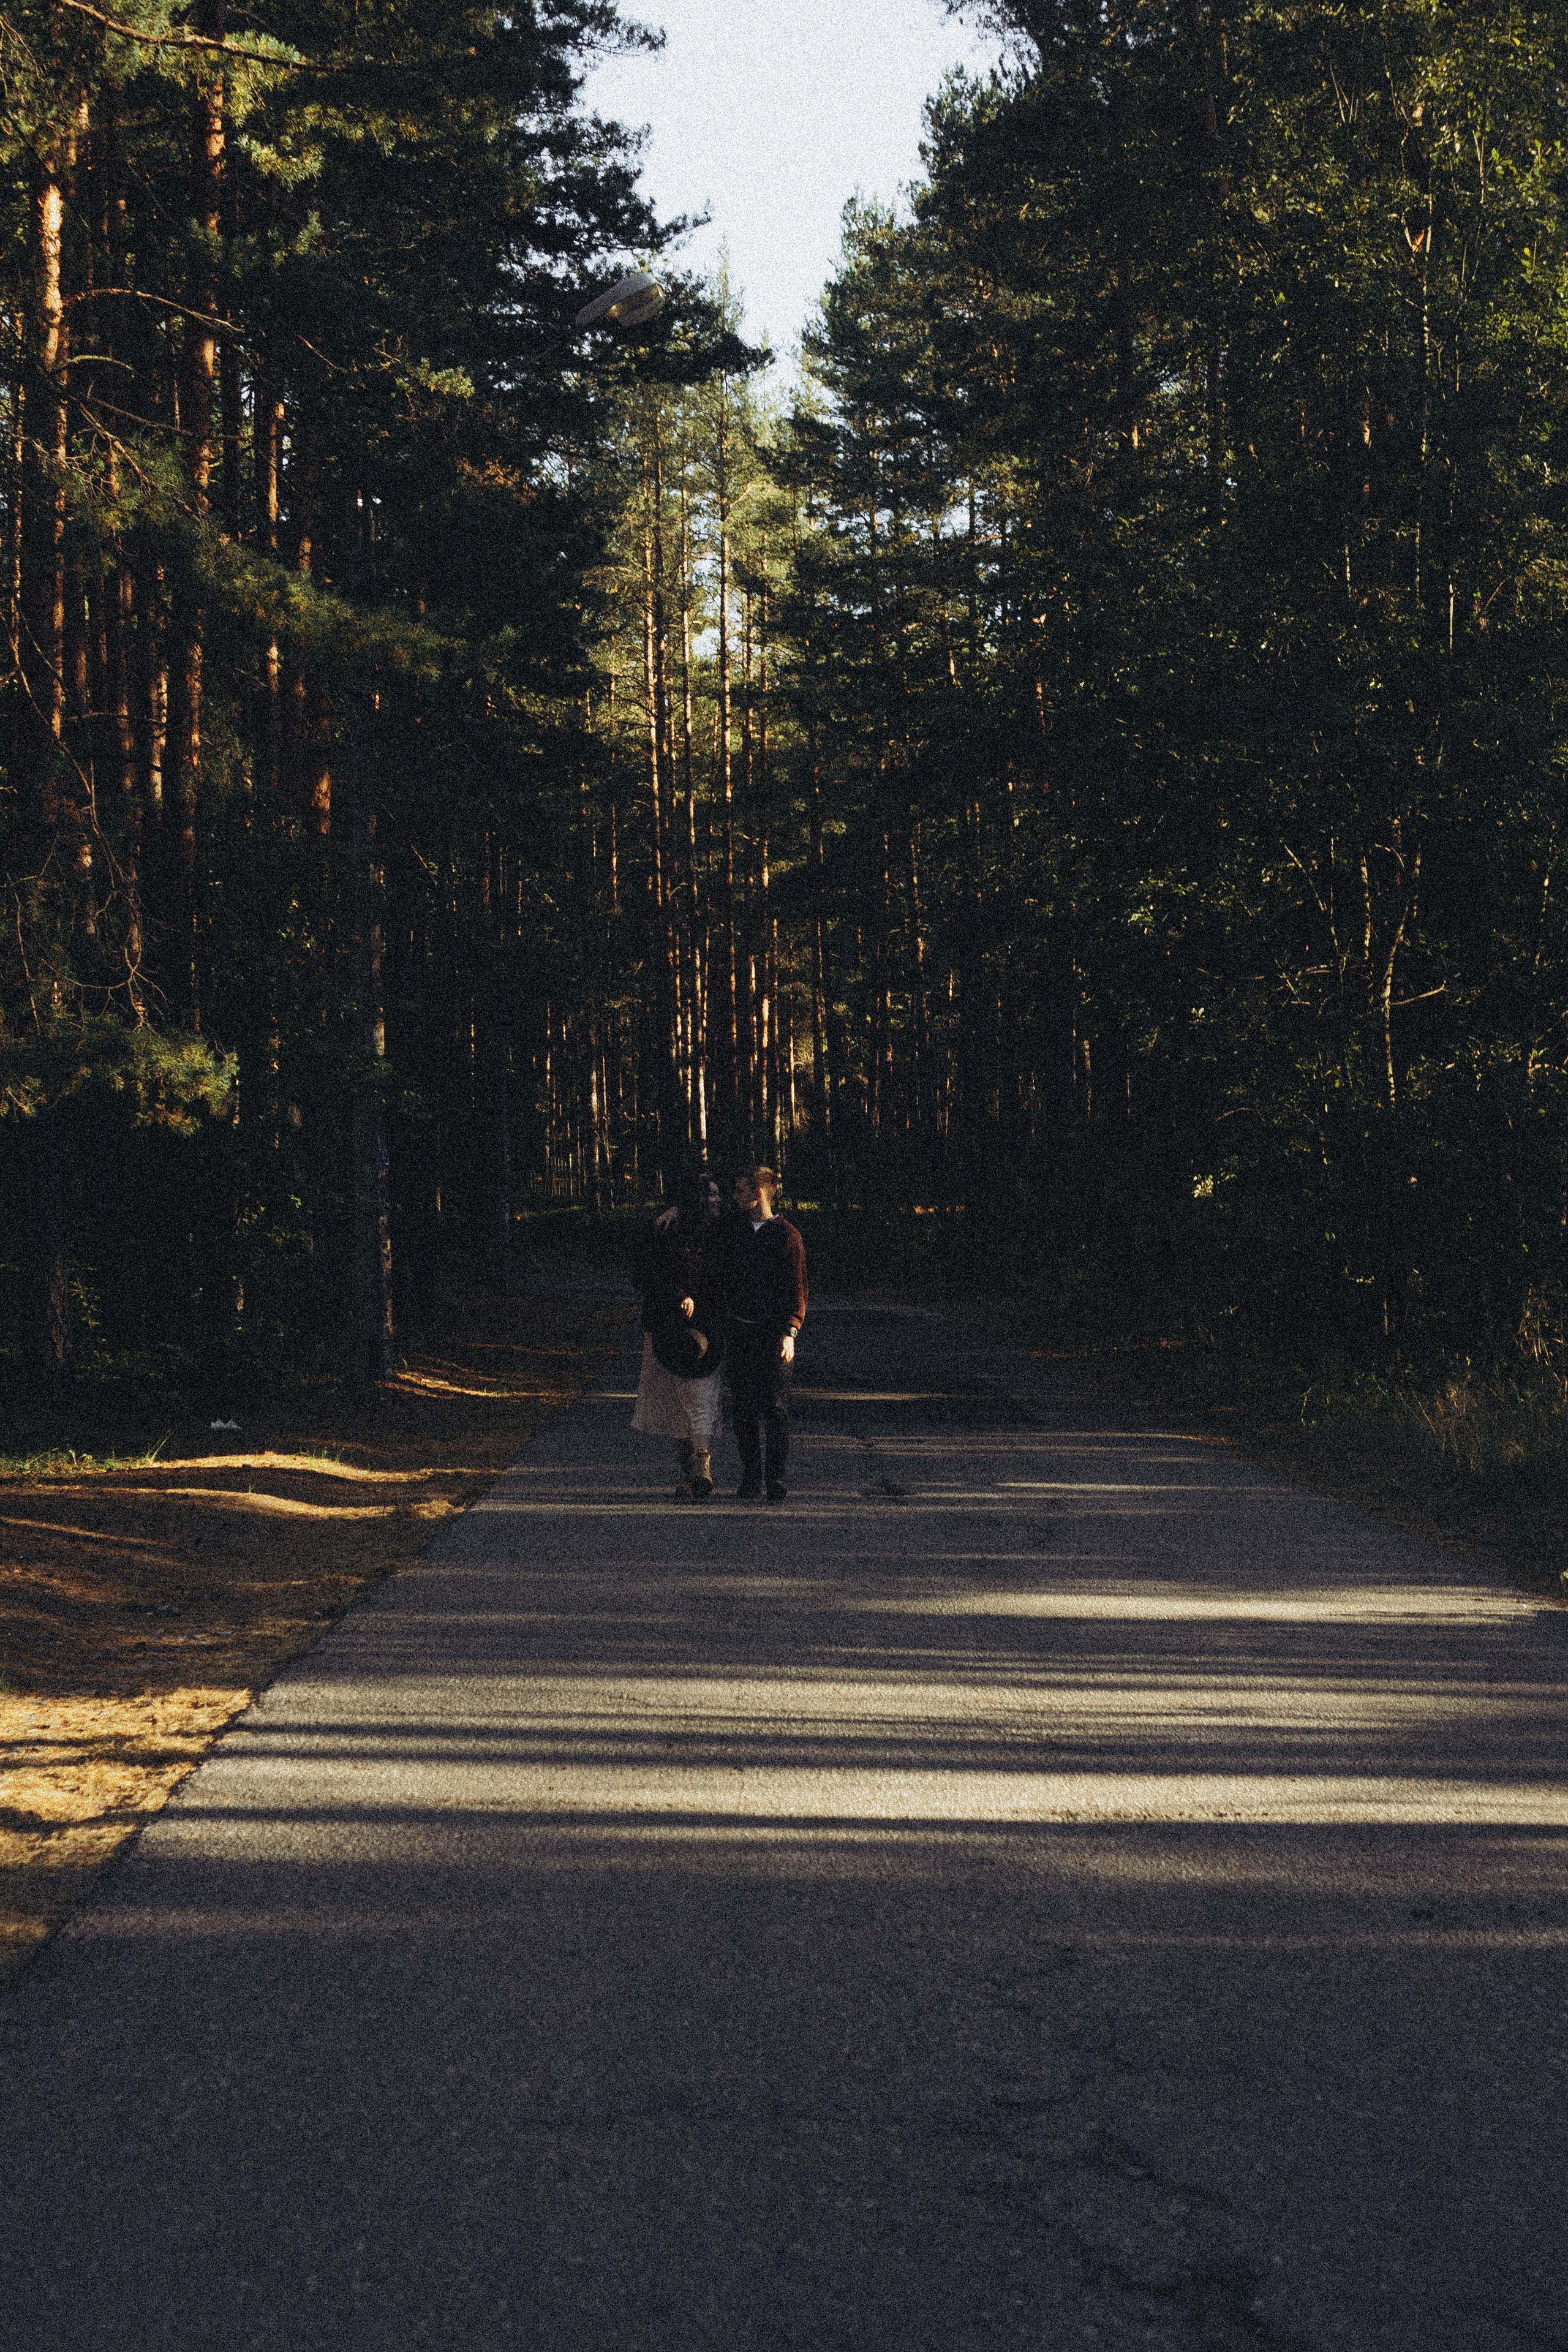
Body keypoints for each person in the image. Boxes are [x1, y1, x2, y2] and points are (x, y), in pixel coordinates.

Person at [631, 1171, 726, 1500]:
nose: (717, 1200)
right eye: (710, 1195)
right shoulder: (667, 1230)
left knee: (701, 1397)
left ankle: (702, 1465)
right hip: (669, 1329)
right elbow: (644, 1275)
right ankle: (692, 1474)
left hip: (707, 1330)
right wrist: (677, 1294)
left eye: (718, 1194)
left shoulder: (724, 1233)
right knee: (675, 1404)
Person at [722, 1165, 808, 1502]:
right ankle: (749, 1477)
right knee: (743, 1409)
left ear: (757, 1194)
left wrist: (791, 1331)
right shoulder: (733, 1231)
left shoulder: (787, 1236)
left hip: (774, 1337)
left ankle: (775, 1479)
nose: (735, 1197)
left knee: (774, 1408)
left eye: (741, 1190)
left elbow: (797, 1289)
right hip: (741, 1334)